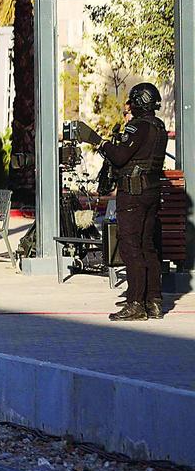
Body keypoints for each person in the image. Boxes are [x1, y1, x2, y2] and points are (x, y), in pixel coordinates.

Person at [76, 83, 168, 321]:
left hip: (134, 193)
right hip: (151, 192)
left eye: (132, 100)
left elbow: (119, 157)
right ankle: (154, 301)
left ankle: (135, 303)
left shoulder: (138, 127)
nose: (129, 105)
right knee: (147, 245)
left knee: (130, 246)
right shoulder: (159, 126)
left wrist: (97, 140)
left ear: (139, 102)